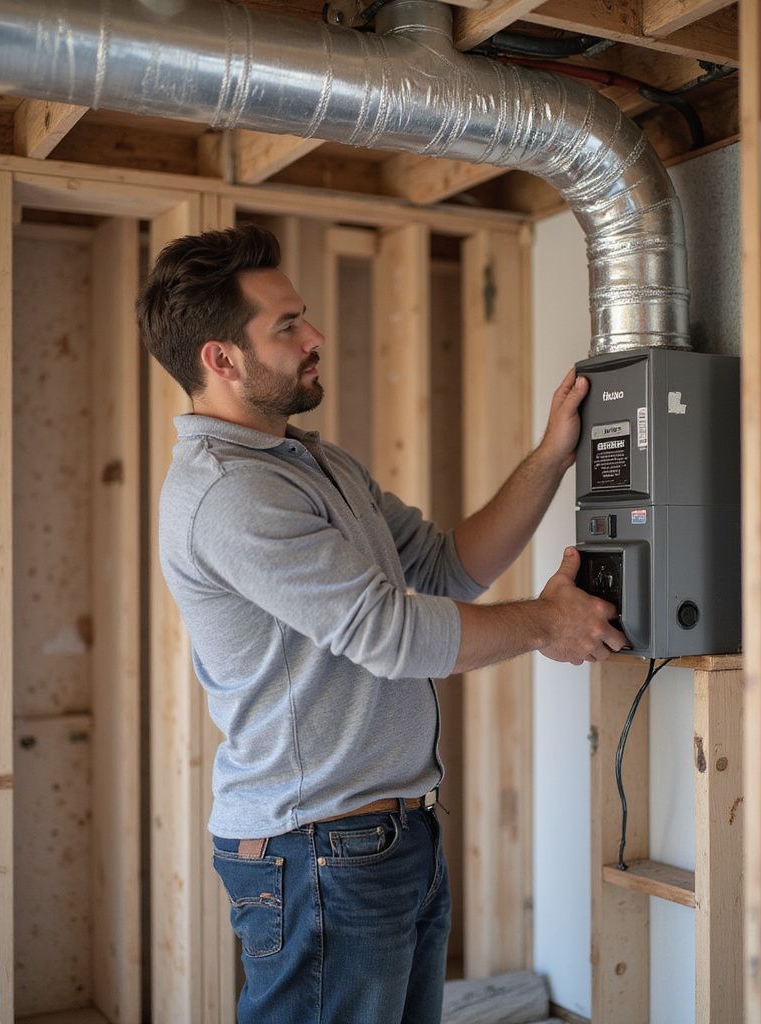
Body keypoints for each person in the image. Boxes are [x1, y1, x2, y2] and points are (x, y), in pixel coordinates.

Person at [137, 224, 626, 1024]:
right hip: (317, 851)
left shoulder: (316, 466)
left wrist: (551, 458)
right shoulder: (229, 494)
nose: (314, 336)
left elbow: (443, 566)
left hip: (389, 839)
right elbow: (389, 636)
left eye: (305, 317)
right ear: (220, 360)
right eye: (286, 326)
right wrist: (543, 624)